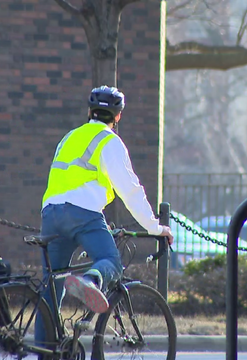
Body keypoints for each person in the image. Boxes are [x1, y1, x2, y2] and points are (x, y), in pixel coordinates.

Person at [35, 85, 174, 344]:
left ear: (89, 111)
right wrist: (155, 227)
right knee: (111, 261)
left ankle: (44, 351)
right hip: (83, 214)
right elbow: (130, 190)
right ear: (118, 116)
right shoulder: (109, 142)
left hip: (50, 213)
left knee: (50, 290)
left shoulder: (69, 137)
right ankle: (91, 281)